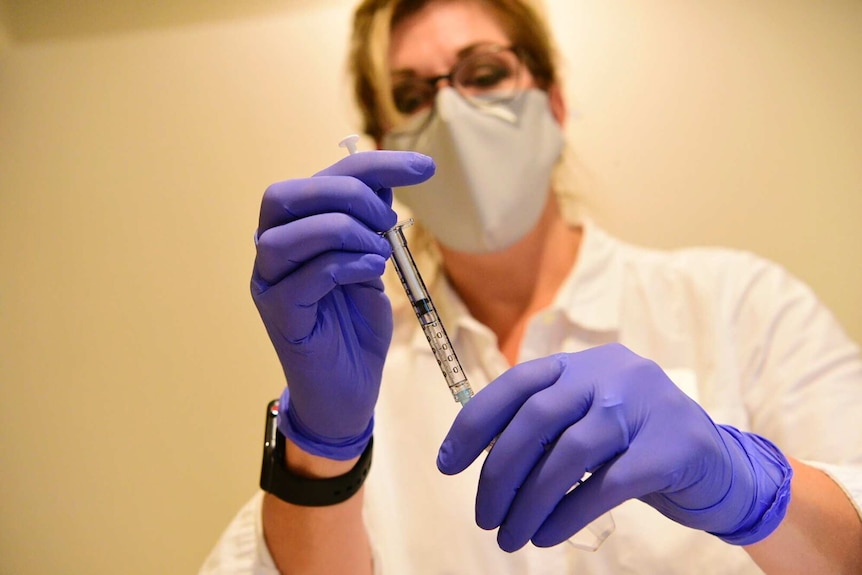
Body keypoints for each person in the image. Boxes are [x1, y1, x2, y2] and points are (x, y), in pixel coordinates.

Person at [201, 0, 862, 573]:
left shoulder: (742, 306)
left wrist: (750, 488)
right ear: (381, 147)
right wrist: (319, 448)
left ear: (554, 101)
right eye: (412, 96)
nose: (452, 113)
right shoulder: (368, 381)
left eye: (484, 74)